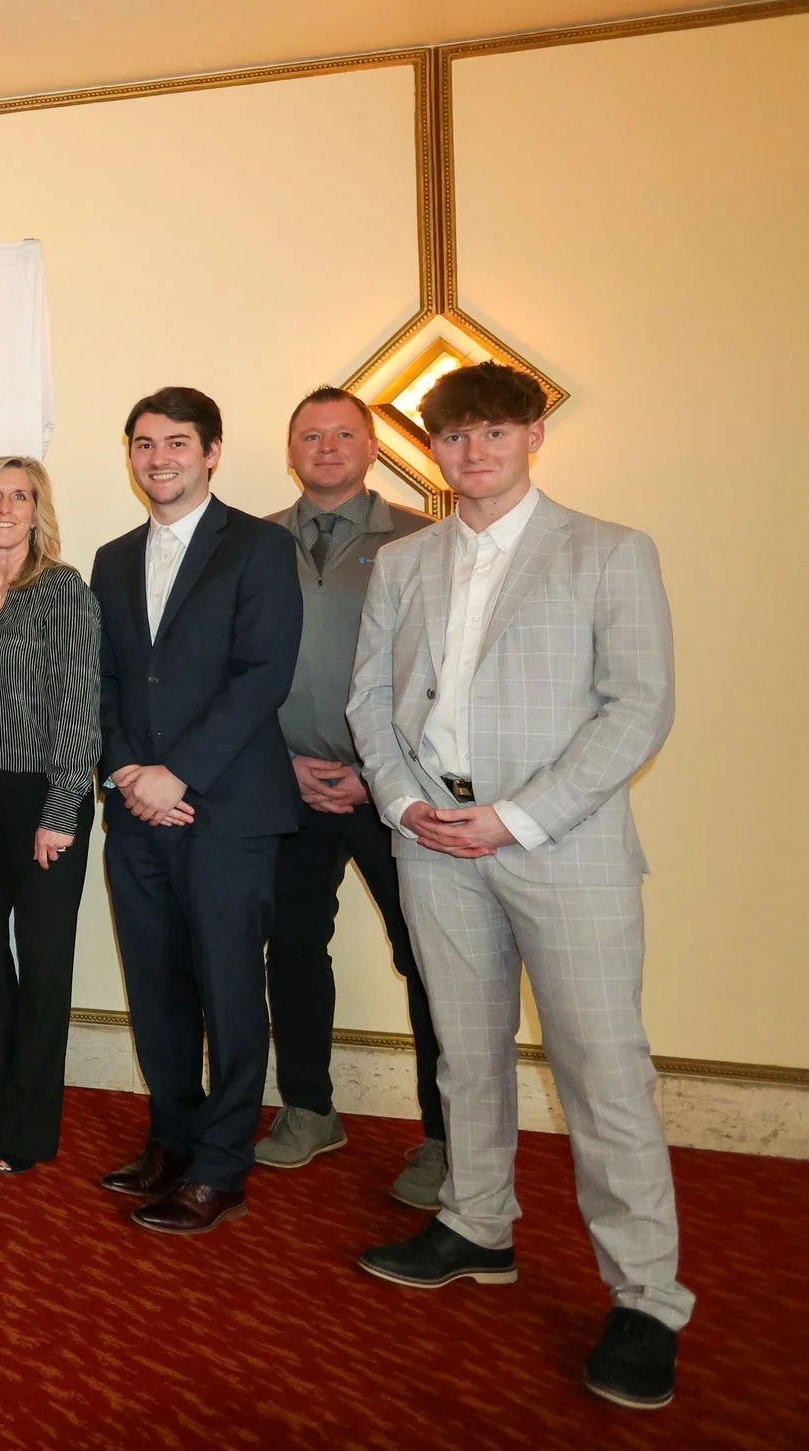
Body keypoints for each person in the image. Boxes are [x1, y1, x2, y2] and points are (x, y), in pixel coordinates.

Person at [348, 363, 686, 1411]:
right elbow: (370, 701)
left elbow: (636, 709)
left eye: (494, 431)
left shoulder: (608, 551)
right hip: (433, 844)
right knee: (465, 1052)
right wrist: (405, 807)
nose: (473, 451)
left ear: (533, 436)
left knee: (601, 1071)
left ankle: (644, 1298)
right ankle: (475, 1222)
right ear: (433, 451)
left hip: (561, 847)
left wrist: (517, 815)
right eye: (454, 437)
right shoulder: (402, 562)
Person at [92, 387, 301, 1235]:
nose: (159, 458)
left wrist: (179, 774)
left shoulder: (258, 546)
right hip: (136, 809)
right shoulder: (111, 558)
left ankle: (222, 1165)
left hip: (226, 810)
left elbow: (263, 673)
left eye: (177, 442)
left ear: (212, 451)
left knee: (228, 991)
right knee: (157, 988)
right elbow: (103, 679)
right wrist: (128, 771)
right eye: (144, 443)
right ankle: (171, 1143)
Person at [257, 388, 445, 1203]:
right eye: (310, 434)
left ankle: (446, 1137)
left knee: (431, 957)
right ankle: (306, 1107)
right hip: (286, 781)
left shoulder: (424, 539)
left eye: (344, 434)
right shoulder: (251, 543)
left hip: (395, 789)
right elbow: (232, 671)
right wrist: (276, 763)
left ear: (372, 448)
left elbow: (448, 676)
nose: (326, 446)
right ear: (289, 449)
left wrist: (379, 775)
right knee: (293, 949)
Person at [0, 455, 101, 1175]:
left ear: (38, 510)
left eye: (20, 494)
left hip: (45, 798)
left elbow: (78, 703)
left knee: (42, 964)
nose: (4, 506)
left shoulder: (63, 589)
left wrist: (64, 806)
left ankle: (32, 1128)